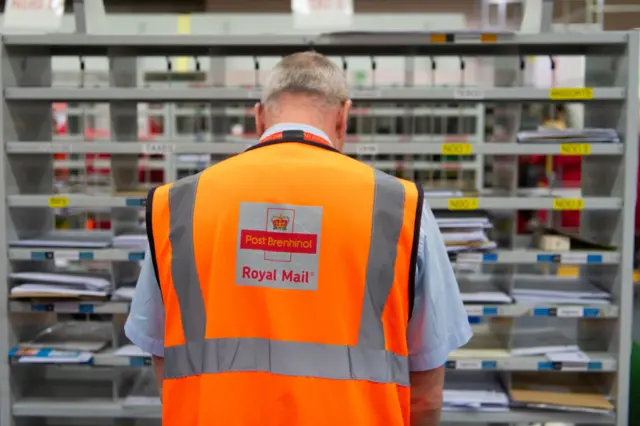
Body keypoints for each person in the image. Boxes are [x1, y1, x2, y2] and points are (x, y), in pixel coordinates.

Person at [125, 51, 472, 426]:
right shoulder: (401, 208)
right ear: (343, 117)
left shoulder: (177, 205)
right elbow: (426, 392)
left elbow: (164, 358)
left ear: (259, 116)